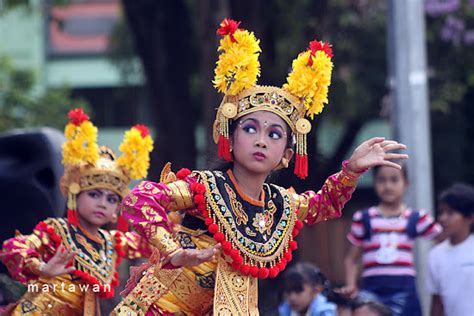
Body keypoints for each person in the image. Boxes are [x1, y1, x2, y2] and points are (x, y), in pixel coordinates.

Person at [112, 18, 408, 315]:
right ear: (232, 136)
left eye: (274, 134)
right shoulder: (205, 186)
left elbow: (324, 204)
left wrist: (352, 170)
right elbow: (141, 198)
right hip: (158, 307)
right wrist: (174, 252)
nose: (261, 141)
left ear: (287, 154)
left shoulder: (281, 204)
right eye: (251, 129)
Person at [0, 109, 155, 315]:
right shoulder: (55, 231)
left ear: (117, 209)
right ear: (74, 195)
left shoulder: (112, 242)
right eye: (94, 195)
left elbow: (151, 242)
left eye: (111, 199)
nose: (102, 204)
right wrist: (42, 268)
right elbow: (14, 247)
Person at [341, 164, 442, 316]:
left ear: (406, 184)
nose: (388, 186)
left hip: (404, 290)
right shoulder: (363, 218)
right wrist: (351, 285)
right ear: (374, 183)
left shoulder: (417, 218)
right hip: (371, 290)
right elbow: (351, 259)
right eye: (382, 180)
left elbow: (443, 239)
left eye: (394, 180)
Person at [426, 183, 474, 316]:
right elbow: (437, 302)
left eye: (450, 213)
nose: (443, 218)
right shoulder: (436, 255)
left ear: (469, 217)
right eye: (441, 212)